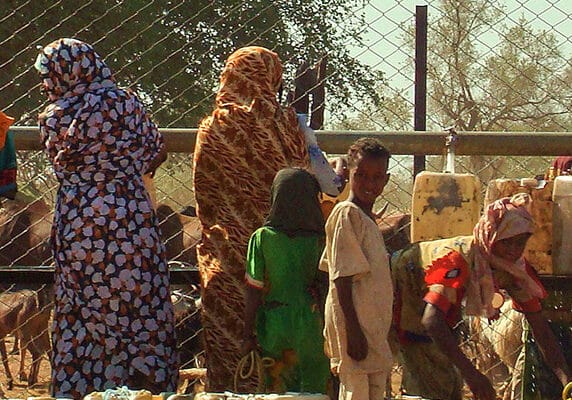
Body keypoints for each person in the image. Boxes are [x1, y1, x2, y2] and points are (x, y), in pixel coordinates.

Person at [35, 38, 177, 398]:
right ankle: (145, 384)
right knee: (138, 302)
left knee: (82, 309)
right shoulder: (127, 103)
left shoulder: (54, 118)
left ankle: (84, 388)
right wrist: (126, 169)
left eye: (47, 74)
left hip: (79, 223)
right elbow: (155, 148)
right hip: (129, 218)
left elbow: (60, 165)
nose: (44, 83)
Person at [192, 46, 314, 391]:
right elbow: (301, 183)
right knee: (280, 358)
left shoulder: (213, 128)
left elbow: (205, 196)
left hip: (229, 260)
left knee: (230, 351)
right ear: (273, 78)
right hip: (280, 261)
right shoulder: (285, 124)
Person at [391, 193, 571, 400]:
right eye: (506, 242)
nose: (513, 250)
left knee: (447, 380)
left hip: (436, 312)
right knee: (428, 375)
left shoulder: (517, 271)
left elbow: (542, 332)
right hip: (402, 289)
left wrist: (567, 381)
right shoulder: (458, 260)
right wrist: (473, 376)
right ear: (491, 236)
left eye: (520, 243)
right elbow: (431, 321)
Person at [242, 167, 330, 394]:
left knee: (278, 387)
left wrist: (247, 334)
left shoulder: (262, 238)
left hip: (274, 325)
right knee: (315, 387)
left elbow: (253, 290)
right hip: (314, 324)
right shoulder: (321, 240)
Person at [319, 137, 393, 400]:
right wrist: (353, 331)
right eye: (361, 175)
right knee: (356, 391)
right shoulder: (346, 215)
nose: (369, 184)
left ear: (386, 180)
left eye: (376, 177)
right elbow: (341, 277)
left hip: (371, 328)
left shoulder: (366, 219)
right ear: (349, 174)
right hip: (356, 328)